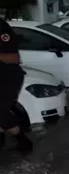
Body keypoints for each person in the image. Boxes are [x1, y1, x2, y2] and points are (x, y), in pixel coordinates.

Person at [0, 19, 33, 154]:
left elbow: (14, 57)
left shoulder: (1, 28)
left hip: (7, 77)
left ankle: (22, 140)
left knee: (0, 112)